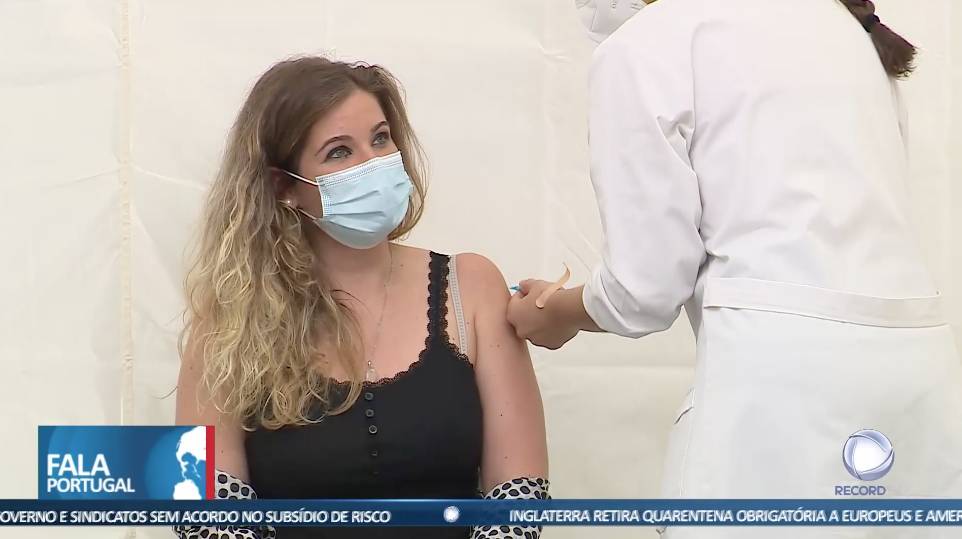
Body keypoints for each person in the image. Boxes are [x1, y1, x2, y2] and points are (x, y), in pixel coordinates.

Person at [509, 1, 962, 537]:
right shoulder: (846, 30)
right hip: (918, 377)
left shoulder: (649, 42)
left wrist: (557, 312)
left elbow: (645, 290)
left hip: (779, 385)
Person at [174, 56, 548, 539]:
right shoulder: (228, 318)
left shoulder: (470, 286)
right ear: (283, 186)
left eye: (381, 138)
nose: (373, 163)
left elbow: (518, 496)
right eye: (339, 152)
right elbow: (204, 512)